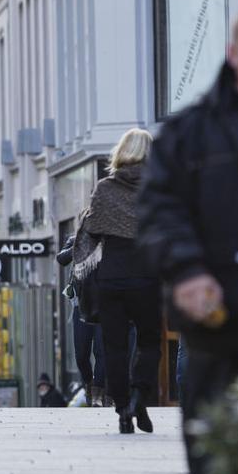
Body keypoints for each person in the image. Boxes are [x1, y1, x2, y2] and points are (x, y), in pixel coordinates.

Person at [139, 4, 238, 474]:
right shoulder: (192, 132)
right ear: (234, 52)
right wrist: (188, 270)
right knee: (219, 472)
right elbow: (159, 212)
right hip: (223, 334)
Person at [74, 128, 161, 435]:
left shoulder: (105, 187)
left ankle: (123, 409)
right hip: (147, 276)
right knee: (150, 342)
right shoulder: (159, 186)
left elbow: (94, 228)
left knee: (114, 347)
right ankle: (139, 394)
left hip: (110, 277)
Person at [56, 234, 106, 406]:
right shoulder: (76, 239)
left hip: (105, 306)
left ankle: (98, 394)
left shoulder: (109, 239)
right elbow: (61, 258)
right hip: (82, 305)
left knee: (101, 351)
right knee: (81, 354)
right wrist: (80, 246)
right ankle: (89, 383)